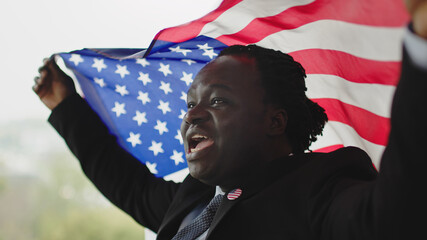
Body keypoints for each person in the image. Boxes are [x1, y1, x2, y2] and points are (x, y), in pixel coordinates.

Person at [33, 1, 427, 239]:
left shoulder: (319, 188)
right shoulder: (194, 199)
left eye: (218, 101)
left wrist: (420, 49)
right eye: (190, 104)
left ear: (274, 122)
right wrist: (65, 105)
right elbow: (125, 183)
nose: (192, 115)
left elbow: (392, 214)